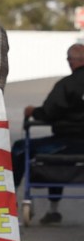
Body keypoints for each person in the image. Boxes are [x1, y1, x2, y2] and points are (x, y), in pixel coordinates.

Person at [23, 44, 84, 224]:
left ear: (72, 62)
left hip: (68, 141)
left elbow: (49, 112)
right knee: (55, 154)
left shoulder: (67, 85)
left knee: (21, 149)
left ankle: (6, 200)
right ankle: (52, 210)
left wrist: (32, 112)